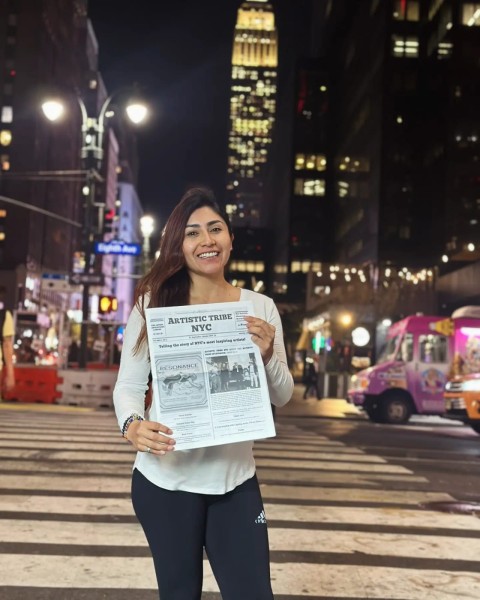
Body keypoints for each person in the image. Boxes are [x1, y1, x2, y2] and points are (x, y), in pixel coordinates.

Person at [113, 186, 293, 600]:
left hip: (236, 482)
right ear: (178, 243)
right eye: (193, 232)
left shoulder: (260, 307)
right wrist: (132, 425)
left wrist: (266, 356)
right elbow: (129, 385)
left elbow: (282, 396)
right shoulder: (151, 304)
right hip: (165, 481)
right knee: (179, 594)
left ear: (230, 238)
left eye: (216, 229)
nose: (206, 240)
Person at [0, 302, 15, 398]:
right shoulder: (4, 315)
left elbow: (7, 345)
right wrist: (10, 374)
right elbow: (7, 344)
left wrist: (10, 374)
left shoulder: (4, 315)